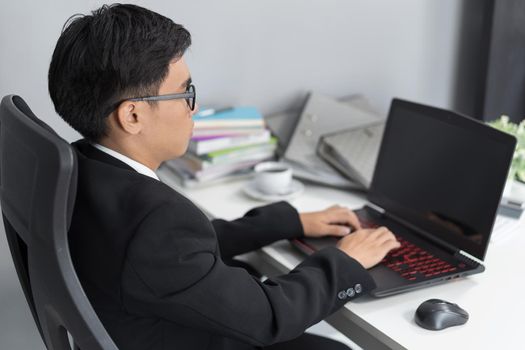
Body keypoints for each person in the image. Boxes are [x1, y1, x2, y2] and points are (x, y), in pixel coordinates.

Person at [48, 4, 400, 350]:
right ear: (133, 116)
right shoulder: (155, 221)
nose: (194, 108)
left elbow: (176, 254)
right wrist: (346, 261)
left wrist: (288, 221)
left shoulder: (81, 168)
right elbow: (270, 316)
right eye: (186, 92)